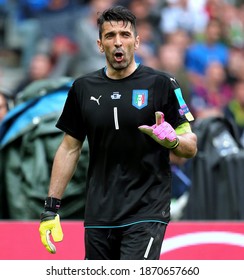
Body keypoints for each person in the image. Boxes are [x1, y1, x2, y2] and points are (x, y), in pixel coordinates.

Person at [39, 5, 197, 260]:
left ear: (136, 41)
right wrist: (51, 208)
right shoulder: (82, 88)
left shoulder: (163, 84)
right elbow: (70, 147)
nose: (118, 42)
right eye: (110, 36)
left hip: (147, 210)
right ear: (100, 45)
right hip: (99, 214)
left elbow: (191, 145)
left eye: (124, 35)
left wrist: (173, 140)